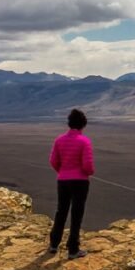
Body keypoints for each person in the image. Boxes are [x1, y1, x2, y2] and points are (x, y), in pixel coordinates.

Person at [48, 108, 95, 259]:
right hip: (80, 182)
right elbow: (87, 165)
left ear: (69, 124)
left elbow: (53, 161)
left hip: (63, 181)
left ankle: (54, 244)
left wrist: (63, 172)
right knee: (76, 214)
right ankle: (73, 249)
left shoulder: (59, 140)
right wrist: (89, 173)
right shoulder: (84, 141)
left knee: (61, 211)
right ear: (83, 125)